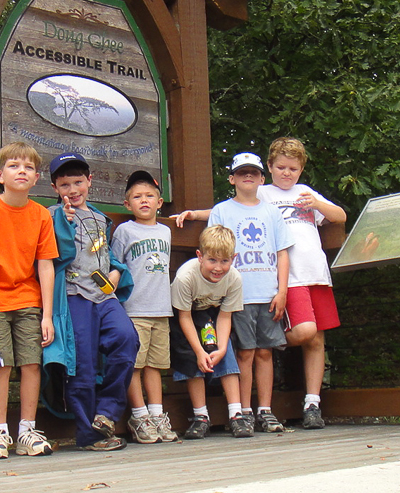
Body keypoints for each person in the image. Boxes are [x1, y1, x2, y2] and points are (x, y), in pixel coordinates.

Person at [171, 152, 294, 433]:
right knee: (245, 353)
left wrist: (282, 290)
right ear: (232, 178)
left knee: (266, 352)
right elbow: (215, 243)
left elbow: (282, 251)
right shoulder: (223, 210)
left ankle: (265, 409)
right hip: (234, 297)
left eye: (253, 172)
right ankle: (244, 411)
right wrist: (192, 214)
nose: (247, 177)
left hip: (267, 293)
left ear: (263, 179)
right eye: (241, 172)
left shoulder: (271, 212)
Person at [0, 142, 58, 460]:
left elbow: (46, 264)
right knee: (0, 368)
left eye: (29, 167)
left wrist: (47, 315)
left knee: (32, 364)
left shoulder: (41, 215)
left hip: (29, 301)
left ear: (36, 179)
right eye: (15, 165)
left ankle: (27, 431)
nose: (22, 170)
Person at [43, 152, 139, 451]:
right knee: (81, 363)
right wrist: (63, 222)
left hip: (103, 294)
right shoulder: (51, 215)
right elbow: (55, 256)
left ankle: (107, 413)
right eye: (65, 185)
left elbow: (106, 254)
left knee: (126, 339)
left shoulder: (100, 218)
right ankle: (88, 434)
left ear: (90, 181)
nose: (73, 190)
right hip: (72, 296)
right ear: (55, 188)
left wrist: (115, 271)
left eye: (78, 182)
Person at [258, 137, 347, 429]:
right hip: (289, 276)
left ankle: (312, 403)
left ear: (300, 169)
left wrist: (317, 203)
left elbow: (339, 216)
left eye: (293, 168)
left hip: (316, 273)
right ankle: (267, 344)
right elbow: (233, 210)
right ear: (269, 166)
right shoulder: (262, 193)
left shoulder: (305, 192)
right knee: (303, 331)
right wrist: (195, 214)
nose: (287, 173)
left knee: (317, 338)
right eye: (281, 167)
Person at [111, 171, 178, 444]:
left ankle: (157, 414)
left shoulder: (165, 231)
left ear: (160, 201)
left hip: (161, 309)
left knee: (156, 365)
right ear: (128, 205)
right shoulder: (124, 230)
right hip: (134, 309)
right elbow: (114, 267)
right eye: (137, 197)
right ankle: (139, 415)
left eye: (149, 196)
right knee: (134, 366)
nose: (144, 201)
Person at [170, 225, 252, 439]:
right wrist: (199, 352)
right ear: (200, 256)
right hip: (186, 317)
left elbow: (225, 316)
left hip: (214, 315)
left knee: (223, 352)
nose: (218, 268)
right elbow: (184, 317)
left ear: (233, 259)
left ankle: (236, 415)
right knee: (192, 357)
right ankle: (200, 417)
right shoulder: (185, 278)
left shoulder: (234, 278)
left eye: (225, 261)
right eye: (212, 260)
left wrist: (222, 348)